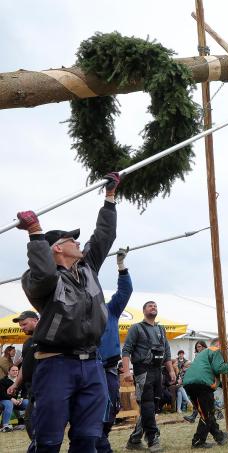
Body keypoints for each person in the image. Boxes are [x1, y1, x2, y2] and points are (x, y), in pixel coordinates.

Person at [17, 172, 120, 453]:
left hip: (92, 363)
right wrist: (35, 233)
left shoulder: (88, 269)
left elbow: (103, 237)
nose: (78, 242)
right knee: (48, 440)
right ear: (57, 248)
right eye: (71, 240)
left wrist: (109, 198)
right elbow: (44, 272)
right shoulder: (39, 281)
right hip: (56, 365)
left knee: (89, 438)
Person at [122, 300, 176, 452]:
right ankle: (153, 440)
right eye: (150, 305)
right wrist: (126, 371)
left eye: (156, 306)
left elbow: (167, 351)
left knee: (154, 406)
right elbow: (126, 350)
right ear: (143, 310)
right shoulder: (136, 328)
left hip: (157, 371)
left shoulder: (161, 329)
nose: (154, 307)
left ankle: (134, 439)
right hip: (142, 371)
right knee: (147, 404)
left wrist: (171, 371)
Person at [96, 247, 133, 453]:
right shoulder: (80, 312)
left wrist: (121, 267)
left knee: (112, 407)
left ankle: (101, 439)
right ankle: (100, 444)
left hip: (108, 369)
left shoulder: (111, 310)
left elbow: (125, 291)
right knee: (92, 409)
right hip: (87, 368)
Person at [182, 339, 228, 448]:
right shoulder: (215, 350)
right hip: (202, 384)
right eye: (225, 345)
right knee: (207, 414)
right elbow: (219, 368)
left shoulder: (201, 354)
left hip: (188, 383)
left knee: (206, 413)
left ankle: (220, 436)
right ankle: (198, 442)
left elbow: (206, 371)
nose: (227, 348)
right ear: (219, 344)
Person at [8, 310, 38, 439]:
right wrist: (15, 384)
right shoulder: (27, 343)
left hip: (46, 387)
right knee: (30, 420)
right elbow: (24, 367)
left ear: (35, 321)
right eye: (20, 325)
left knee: (31, 420)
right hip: (31, 388)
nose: (22, 328)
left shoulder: (48, 339)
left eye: (24, 324)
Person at [183, 341, 208, 424]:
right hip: (199, 380)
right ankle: (194, 416)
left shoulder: (208, 354)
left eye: (200, 346)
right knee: (197, 399)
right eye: (197, 347)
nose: (199, 348)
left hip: (206, 379)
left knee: (207, 400)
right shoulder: (197, 356)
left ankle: (217, 413)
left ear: (204, 347)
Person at [1, 365, 28, 432]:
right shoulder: (3, 381)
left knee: (28, 402)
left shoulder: (21, 381)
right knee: (9, 404)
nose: (15, 372)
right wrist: (11, 399)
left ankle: (28, 422)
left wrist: (22, 398)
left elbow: (25, 391)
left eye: (16, 370)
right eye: (13, 370)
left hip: (17, 401)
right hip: (4, 400)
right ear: (8, 372)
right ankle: (5, 426)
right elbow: (1, 393)